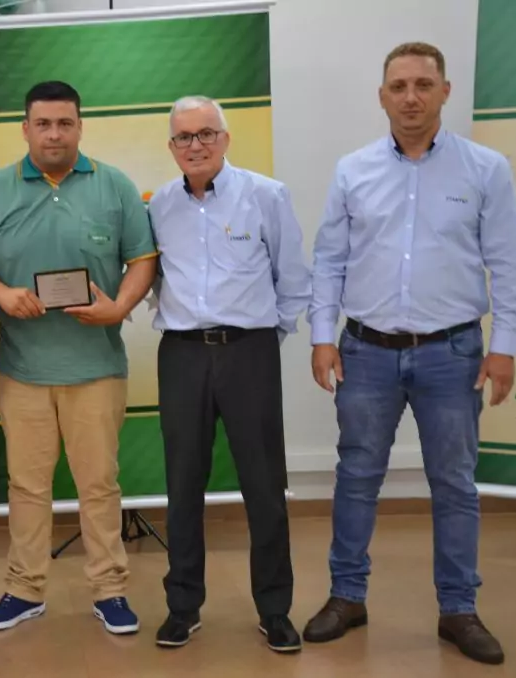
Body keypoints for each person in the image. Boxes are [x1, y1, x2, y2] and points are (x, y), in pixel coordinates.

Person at [304, 42, 516, 666]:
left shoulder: (485, 169)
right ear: (382, 96)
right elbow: (329, 260)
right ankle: (347, 596)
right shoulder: (353, 170)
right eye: (398, 86)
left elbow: (510, 265)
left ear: (445, 92)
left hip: (452, 353)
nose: (411, 97)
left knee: (454, 485)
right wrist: (323, 335)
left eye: (423, 85)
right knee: (356, 478)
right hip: (365, 351)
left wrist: (504, 347)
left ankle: (458, 609)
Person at [0, 80, 158, 635]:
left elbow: (142, 259)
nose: (53, 133)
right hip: (22, 369)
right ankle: (24, 590)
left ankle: (110, 590)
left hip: (96, 368)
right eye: (42, 124)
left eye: (64, 123)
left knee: (100, 485)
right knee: (26, 487)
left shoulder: (114, 186)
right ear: (25, 128)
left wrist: (118, 308)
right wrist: (2, 293)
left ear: (79, 127)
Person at [147, 96, 311, 653]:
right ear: (171, 147)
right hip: (183, 354)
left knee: (264, 486)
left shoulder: (265, 194)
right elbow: (150, 276)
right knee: (182, 484)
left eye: (205, 134)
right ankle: (182, 606)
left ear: (225, 137)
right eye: (183, 138)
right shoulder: (159, 205)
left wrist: (265, 338)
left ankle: (275, 608)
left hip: (249, 352)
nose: (195, 145)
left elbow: (294, 279)